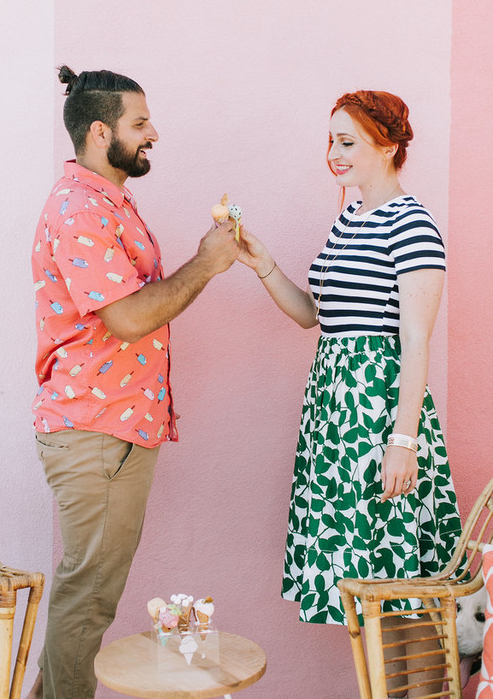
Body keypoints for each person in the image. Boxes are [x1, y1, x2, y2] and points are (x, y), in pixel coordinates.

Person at [238, 90, 463, 697]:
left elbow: (415, 341)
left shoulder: (412, 224)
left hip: (380, 417)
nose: (333, 154)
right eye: (330, 141)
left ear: (387, 147)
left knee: (405, 593)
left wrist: (403, 442)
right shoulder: (350, 218)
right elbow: (316, 317)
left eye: (347, 142)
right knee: (368, 591)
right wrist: (263, 264)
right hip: (337, 421)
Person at [26, 66, 238, 699]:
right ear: (101, 132)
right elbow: (127, 318)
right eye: (140, 123)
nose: (154, 133)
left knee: (89, 594)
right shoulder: (80, 208)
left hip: (114, 431)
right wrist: (207, 263)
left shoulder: (110, 201)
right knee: (87, 598)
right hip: (97, 432)